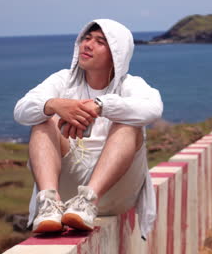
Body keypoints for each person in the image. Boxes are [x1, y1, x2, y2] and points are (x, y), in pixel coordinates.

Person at [14, 19, 163, 239]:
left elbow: (153, 108)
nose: (88, 44)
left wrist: (102, 105)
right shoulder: (62, 80)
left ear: (116, 54)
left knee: (129, 124)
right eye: (86, 38)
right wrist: (53, 105)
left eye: (100, 41)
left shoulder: (131, 84)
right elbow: (21, 110)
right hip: (67, 191)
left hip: (115, 190)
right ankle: (49, 203)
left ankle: (88, 200)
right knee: (43, 120)